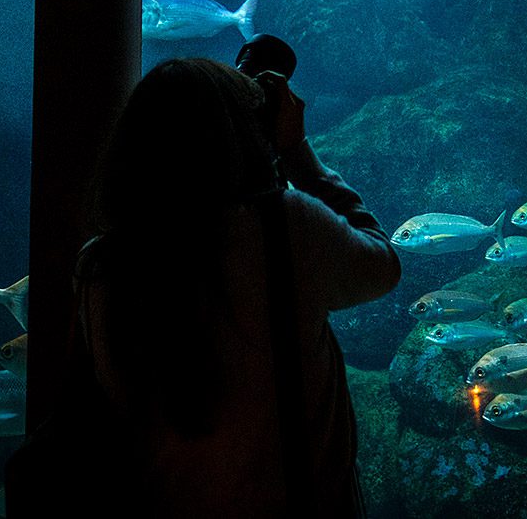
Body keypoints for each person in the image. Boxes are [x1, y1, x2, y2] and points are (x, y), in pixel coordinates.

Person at [73, 57, 401, 517]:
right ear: (240, 133)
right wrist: (298, 153)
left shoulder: (99, 264)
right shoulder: (285, 225)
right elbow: (383, 265)